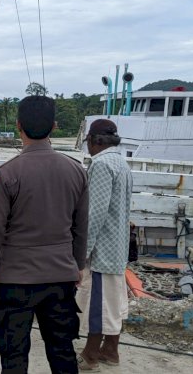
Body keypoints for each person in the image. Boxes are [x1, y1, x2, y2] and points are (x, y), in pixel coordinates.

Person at [0, 95, 89, 374]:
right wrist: (77, 265)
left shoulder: (8, 173)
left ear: (18, 126)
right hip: (60, 275)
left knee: (13, 353)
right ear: (55, 126)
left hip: (17, 279)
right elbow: (81, 227)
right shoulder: (76, 171)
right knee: (62, 351)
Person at [75, 119, 133, 371]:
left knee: (98, 306)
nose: (88, 146)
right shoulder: (121, 162)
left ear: (96, 141)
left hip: (102, 251)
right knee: (114, 301)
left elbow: (94, 214)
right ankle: (110, 350)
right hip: (117, 247)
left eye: (88, 140)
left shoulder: (100, 164)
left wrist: (81, 253)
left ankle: (90, 355)